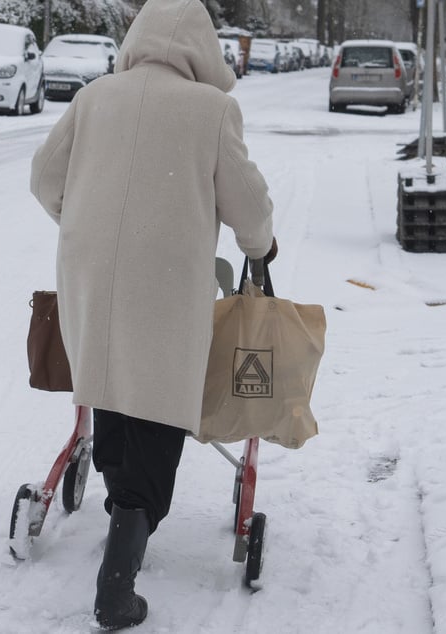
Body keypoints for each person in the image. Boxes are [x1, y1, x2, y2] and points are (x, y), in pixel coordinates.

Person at [29, 0, 275, 628]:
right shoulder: (213, 109)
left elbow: (43, 179)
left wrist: (82, 219)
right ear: (203, 48)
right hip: (166, 278)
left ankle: (120, 508)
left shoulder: (94, 97)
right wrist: (259, 246)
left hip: (91, 268)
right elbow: (246, 204)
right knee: (159, 402)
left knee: (110, 384)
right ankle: (118, 579)